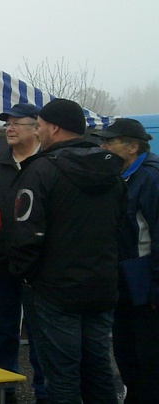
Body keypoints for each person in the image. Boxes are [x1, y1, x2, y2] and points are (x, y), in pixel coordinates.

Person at [10, 99, 124, 404]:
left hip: (56, 291)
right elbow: (121, 228)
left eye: (39, 126)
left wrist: (25, 276)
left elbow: (26, 235)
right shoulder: (112, 170)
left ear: (54, 128)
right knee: (98, 369)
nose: (37, 131)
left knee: (62, 376)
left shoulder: (41, 170)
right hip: (102, 285)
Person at [0, 102, 47, 404]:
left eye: (17, 123)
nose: (10, 128)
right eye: (7, 123)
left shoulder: (48, 162)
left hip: (39, 266)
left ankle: (44, 390)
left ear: (37, 128)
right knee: (3, 330)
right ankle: (3, 390)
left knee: (40, 332)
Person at [91, 118, 159, 404]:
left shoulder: (151, 177)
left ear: (133, 147)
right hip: (123, 283)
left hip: (146, 285)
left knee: (148, 360)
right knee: (126, 355)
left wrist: (155, 289)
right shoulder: (121, 175)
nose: (103, 147)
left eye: (110, 142)